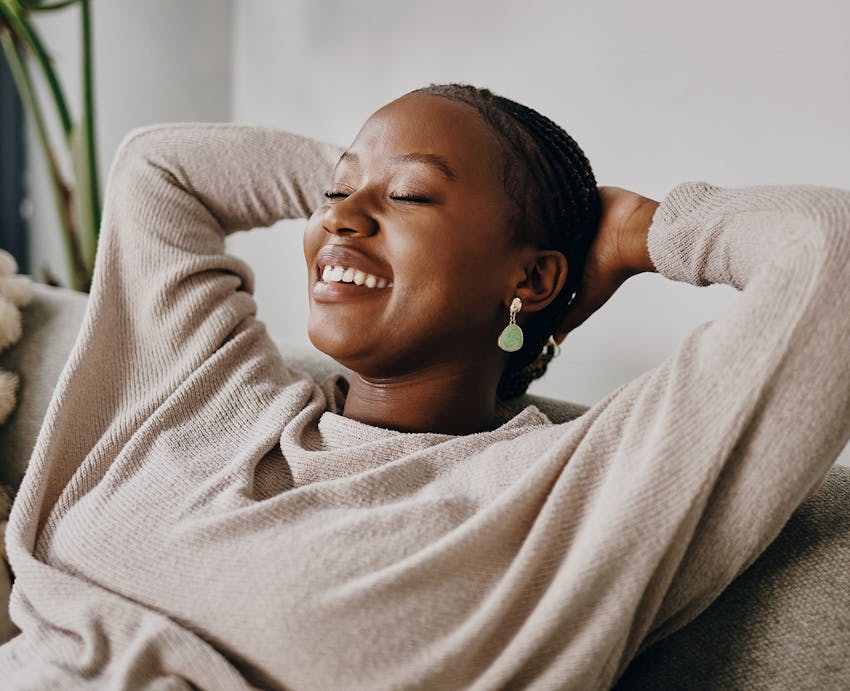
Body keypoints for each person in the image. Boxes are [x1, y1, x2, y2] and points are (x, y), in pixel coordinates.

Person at [0, 83, 848, 690]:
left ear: (537, 276)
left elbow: (832, 259)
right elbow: (159, 168)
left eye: (411, 193)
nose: (337, 213)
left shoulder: (569, 498)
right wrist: (363, 190)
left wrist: (635, 230)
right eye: (334, 192)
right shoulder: (212, 392)